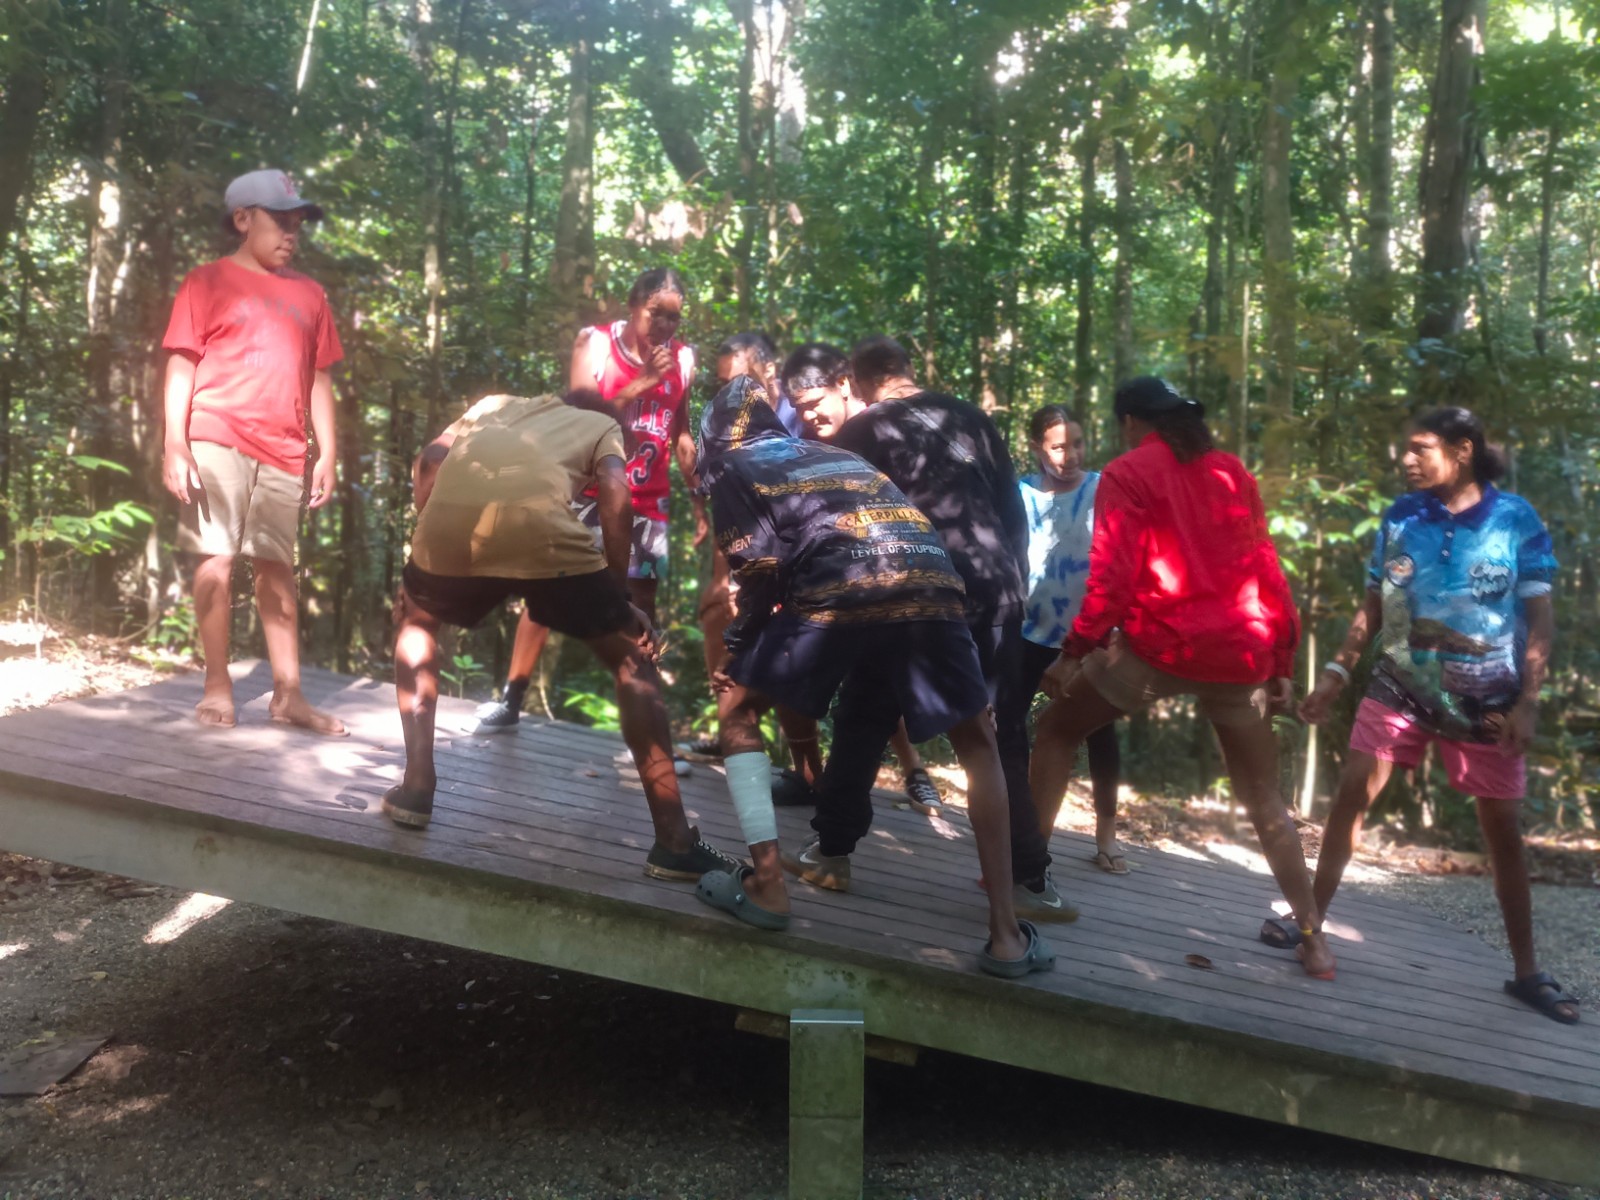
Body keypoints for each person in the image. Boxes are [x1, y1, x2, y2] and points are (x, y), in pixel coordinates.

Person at [691, 376, 1054, 978]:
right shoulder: (828, 452)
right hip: (934, 583)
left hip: (839, 584)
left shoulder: (735, 466)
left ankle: (768, 888)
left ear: (713, 444)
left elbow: (757, 573)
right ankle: (1007, 937)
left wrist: (738, 655)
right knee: (978, 740)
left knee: (737, 712)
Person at [1027, 376, 1335, 980]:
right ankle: (1314, 939)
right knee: (1264, 796)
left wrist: (1073, 652)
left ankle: (1027, 876)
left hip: (1159, 649)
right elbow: (1265, 567)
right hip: (1241, 654)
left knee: (1057, 731)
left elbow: (1114, 577)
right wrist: (1280, 663)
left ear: (1130, 422)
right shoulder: (1230, 471)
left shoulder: (1128, 472)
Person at [384, 389, 738, 883]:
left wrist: (421, 560)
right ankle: (675, 841)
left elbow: (433, 460)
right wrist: (617, 596)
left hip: (451, 529)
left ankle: (417, 785)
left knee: (418, 623)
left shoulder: (491, 405)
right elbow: (617, 488)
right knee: (630, 661)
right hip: (545, 537)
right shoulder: (601, 426)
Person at [1291, 407, 1575, 1022]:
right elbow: (1378, 605)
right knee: (1349, 798)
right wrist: (1338, 674)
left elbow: (1540, 617)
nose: (1407, 459)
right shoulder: (1401, 518)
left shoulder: (1515, 519)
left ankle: (1527, 973)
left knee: (1502, 834)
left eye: (1421, 449)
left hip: (1490, 702)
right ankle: (1307, 924)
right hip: (1402, 684)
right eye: (1407, 449)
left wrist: (1530, 703)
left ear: (1463, 450)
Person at [784, 335, 1072, 924]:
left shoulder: (864, 432)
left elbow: (841, 524)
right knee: (1003, 738)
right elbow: (1012, 515)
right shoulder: (974, 419)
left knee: (864, 713)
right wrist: (1008, 587)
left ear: (855, 384)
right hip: (996, 591)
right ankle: (1030, 882)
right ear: (908, 370)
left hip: (911, 595)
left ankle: (832, 852)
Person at [470, 270, 699, 767]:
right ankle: (511, 698)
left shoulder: (684, 359)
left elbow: (680, 429)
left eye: (674, 317)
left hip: (648, 499)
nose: (664, 325)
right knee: (546, 589)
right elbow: (577, 416)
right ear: (632, 306)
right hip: (584, 486)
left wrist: (700, 492)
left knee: (641, 608)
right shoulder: (593, 344)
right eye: (655, 313)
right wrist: (642, 383)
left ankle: (648, 728)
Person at [160, 168, 346, 736]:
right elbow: (182, 361)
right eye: (279, 221)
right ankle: (218, 684)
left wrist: (329, 452)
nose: (292, 233)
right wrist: (174, 441)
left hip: (286, 448)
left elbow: (318, 378)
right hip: (216, 435)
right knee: (216, 559)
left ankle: (288, 694)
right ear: (242, 220)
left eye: (298, 224)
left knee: (276, 567)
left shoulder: (310, 294)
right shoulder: (207, 282)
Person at [772, 341, 943, 816]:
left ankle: (911, 769)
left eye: (815, 405)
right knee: (786, 658)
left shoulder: (881, 425)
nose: (808, 416)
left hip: (896, 574)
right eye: (799, 409)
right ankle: (810, 776)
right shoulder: (805, 435)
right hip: (830, 571)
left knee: (878, 683)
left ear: (844, 386)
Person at [1019, 405, 1123, 870]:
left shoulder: (1104, 489)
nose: (1070, 455)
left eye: (1077, 443)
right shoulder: (1019, 492)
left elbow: (1119, 558)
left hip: (1090, 633)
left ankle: (1106, 837)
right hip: (1026, 628)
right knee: (1009, 724)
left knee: (1100, 733)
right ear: (1037, 447)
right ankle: (1017, 825)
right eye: (1059, 446)